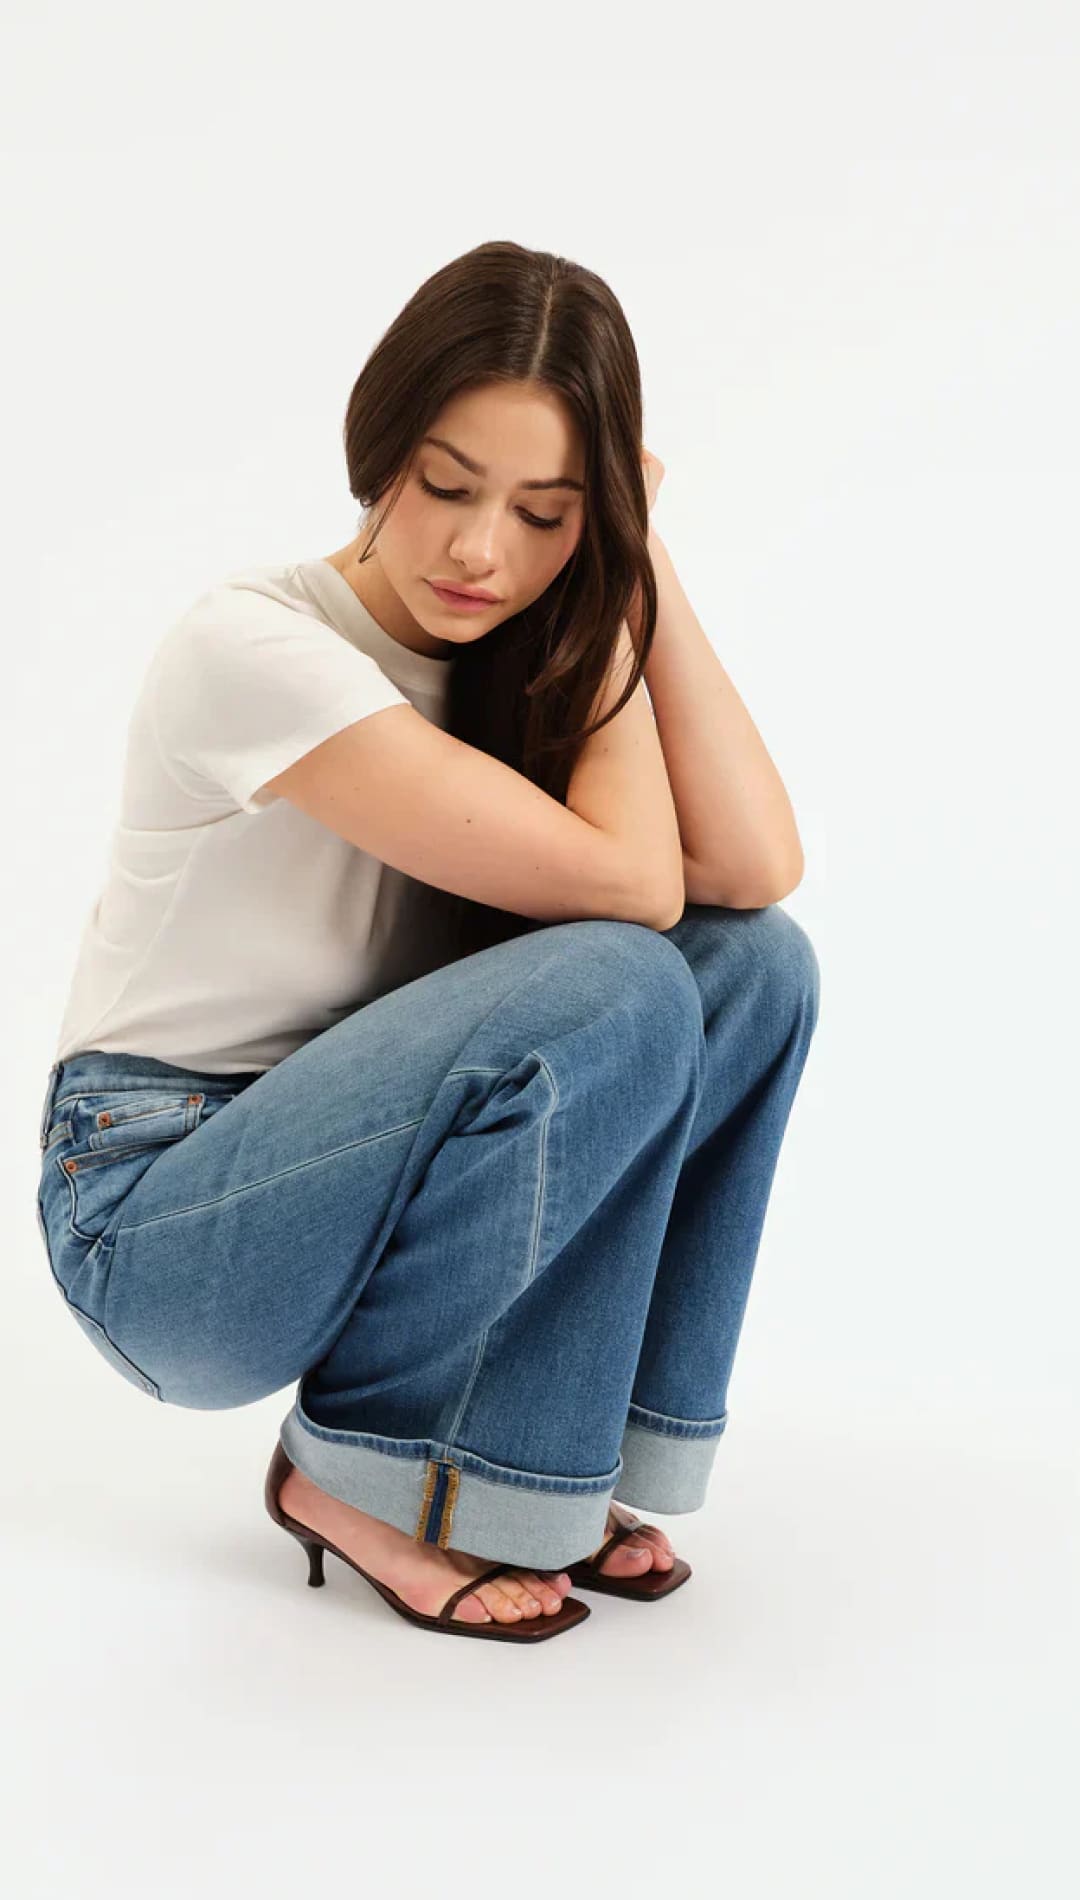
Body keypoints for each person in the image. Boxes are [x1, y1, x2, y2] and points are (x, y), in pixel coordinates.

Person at [35, 239, 820, 1645]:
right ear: (376, 444)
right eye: (448, 487)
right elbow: (632, 895)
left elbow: (756, 868)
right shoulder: (256, 648)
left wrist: (634, 568)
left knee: (753, 970)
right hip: (162, 1218)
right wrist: (597, 583)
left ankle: (543, 1466)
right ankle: (360, 1480)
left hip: (346, 1158)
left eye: (546, 513)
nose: (481, 552)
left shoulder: (513, 651)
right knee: (625, 970)